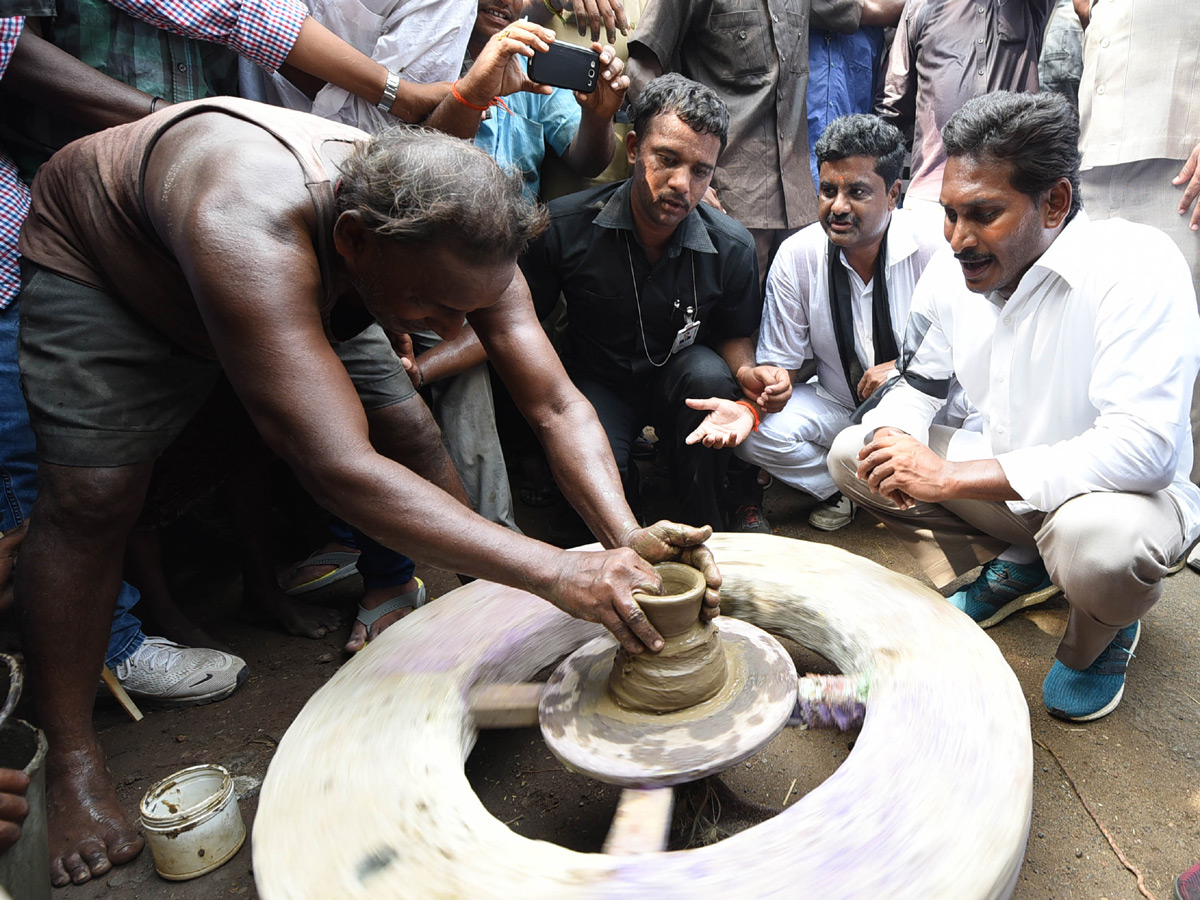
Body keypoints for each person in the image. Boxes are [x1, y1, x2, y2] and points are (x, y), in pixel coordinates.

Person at [15, 97, 718, 887]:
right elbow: (336, 468)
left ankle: (474, 626)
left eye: (469, 309)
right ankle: (72, 757)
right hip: (113, 267)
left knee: (413, 432)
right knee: (94, 501)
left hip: (318, 279)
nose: (453, 330)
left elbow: (555, 405)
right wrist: (555, 571)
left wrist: (623, 535)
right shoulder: (248, 220)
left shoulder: (463, 239)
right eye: (438, 308)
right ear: (355, 242)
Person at [826, 91, 1200, 724]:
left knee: (1100, 548)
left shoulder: (1136, 266)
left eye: (983, 214)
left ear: (1054, 202)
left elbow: (1147, 450)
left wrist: (946, 477)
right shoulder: (954, 276)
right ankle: (1028, 564)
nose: (958, 239)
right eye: (947, 214)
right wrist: (898, 440)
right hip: (1017, 490)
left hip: (1124, 505)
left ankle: (1102, 629)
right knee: (855, 452)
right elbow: (919, 389)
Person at [519, 74, 789, 533]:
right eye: (667, 159)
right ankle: (627, 498)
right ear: (632, 149)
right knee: (598, 499)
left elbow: (734, 334)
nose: (681, 183)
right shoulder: (564, 228)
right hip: (598, 382)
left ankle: (701, 512)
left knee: (710, 375)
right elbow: (522, 326)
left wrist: (747, 374)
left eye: (701, 170)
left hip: (679, 381)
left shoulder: (733, 247)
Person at [685, 114, 944, 532]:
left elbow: (972, 356)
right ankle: (850, 489)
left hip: (929, 412)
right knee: (751, 434)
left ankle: (888, 485)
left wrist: (903, 372)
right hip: (841, 405)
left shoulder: (935, 248)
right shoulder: (798, 254)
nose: (837, 207)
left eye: (857, 192)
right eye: (828, 190)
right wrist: (763, 392)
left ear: (893, 193)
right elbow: (779, 369)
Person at [626, 0, 894, 279]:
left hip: (801, 210)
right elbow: (639, 69)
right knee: (729, 319)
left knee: (802, 317)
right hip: (728, 206)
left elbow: (865, 9)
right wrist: (691, 177)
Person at [1072, 0, 1200, 497]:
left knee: (1185, 347)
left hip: (1179, 151)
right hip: (1096, 153)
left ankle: (1188, 507)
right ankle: (1101, 502)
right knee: (1100, 341)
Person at [876, 0, 1054, 221]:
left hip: (1011, 194)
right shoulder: (920, 7)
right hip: (932, 199)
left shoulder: (1026, 7)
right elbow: (892, 107)